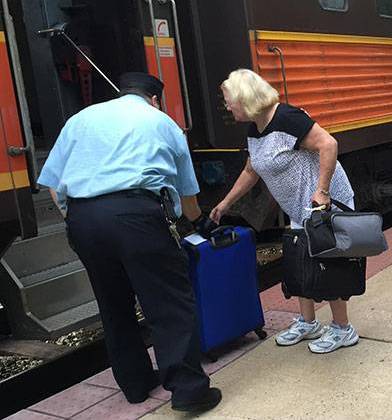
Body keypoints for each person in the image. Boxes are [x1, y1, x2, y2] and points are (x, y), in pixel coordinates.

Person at [37, 73, 221, 413]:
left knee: (113, 304)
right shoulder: (162, 122)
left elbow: (52, 182)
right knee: (167, 303)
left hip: (83, 219)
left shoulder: (80, 119)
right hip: (137, 215)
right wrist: (197, 222)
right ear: (154, 98)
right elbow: (187, 194)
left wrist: (76, 218)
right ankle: (188, 389)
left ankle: (136, 385)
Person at [210, 69, 358, 354]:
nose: (227, 107)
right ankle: (308, 322)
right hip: (298, 207)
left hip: (324, 204)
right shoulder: (256, 126)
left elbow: (329, 144)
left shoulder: (288, 118)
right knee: (300, 261)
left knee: (331, 263)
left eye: (230, 100)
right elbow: (251, 169)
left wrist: (323, 192)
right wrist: (226, 203)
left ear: (246, 98)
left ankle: (343, 328)